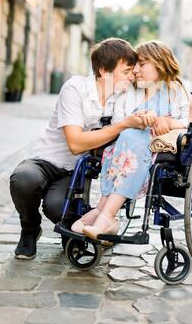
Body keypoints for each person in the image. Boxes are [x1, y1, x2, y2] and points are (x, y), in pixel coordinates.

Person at [10, 38, 146, 260]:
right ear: (104, 71)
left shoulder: (122, 96)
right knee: (23, 179)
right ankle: (30, 228)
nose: (132, 76)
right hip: (47, 159)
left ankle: (72, 226)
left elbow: (164, 85)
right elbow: (75, 144)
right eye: (127, 71)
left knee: (57, 208)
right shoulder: (76, 88)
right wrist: (122, 125)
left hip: (76, 170)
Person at [72, 41, 192, 238]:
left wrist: (166, 122)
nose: (135, 70)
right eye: (135, 65)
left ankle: (105, 213)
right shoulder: (129, 90)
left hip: (157, 147)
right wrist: (139, 119)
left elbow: (186, 121)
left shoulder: (175, 91)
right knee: (128, 137)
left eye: (142, 64)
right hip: (126, 146)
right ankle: (105, 215)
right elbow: (119, 119)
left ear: (160, 64)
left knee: (132, 140)